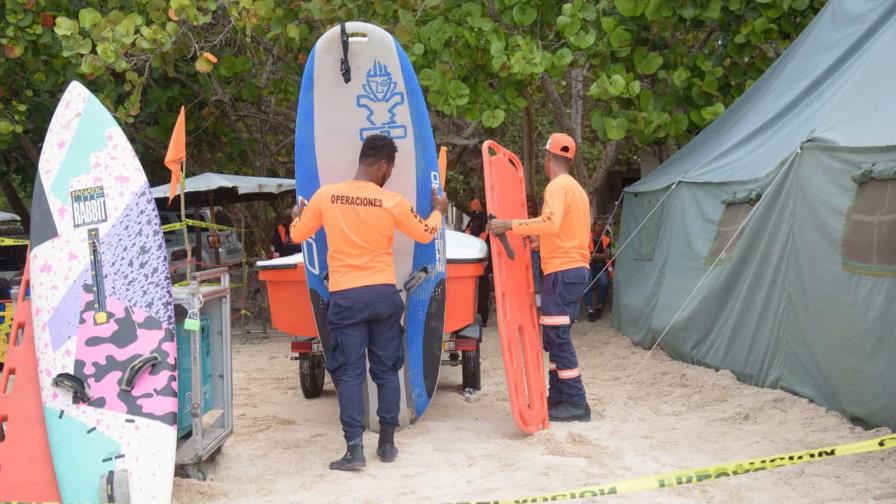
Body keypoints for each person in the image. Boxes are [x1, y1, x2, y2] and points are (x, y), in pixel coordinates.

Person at [289, 134, 448, 470]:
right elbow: (424, 233)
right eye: (390, 169)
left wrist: (294, 215)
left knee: (349, 374)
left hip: (347, 297)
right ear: (383, 165)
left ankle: (353, 450)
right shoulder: (391, 201)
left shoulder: (327, 196)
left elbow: (297, 235)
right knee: (387, 371)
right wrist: (437, 212)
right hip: (382, 295)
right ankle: (387, 445)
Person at [489, 132, 592, 423]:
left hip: (563, 271)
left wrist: (509, 224)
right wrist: (539, 242)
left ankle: (575, 402)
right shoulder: (576, 189)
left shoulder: (557, 187)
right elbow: (565, 231)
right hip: (571, 269)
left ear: (548, 159)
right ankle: (558, 398)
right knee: (555, 335)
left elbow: (551, 222)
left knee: (557, 336)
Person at [464, 198, 491, 326]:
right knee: (482, 290)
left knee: (474, 290)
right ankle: (482, 317)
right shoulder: (485, 219)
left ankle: (474, 316)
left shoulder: (472, 220)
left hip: (473, 260)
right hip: (482, 259)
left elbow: (468, 236)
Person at [585, 218, 612, 321]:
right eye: (598, 225)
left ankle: (599, 307)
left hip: (601, 266)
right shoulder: (587, 238)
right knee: (587, 283)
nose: (600, 228)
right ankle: (590, 309)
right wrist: (602, 255)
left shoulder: (606, 240)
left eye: (602, 226)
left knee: (604, 283)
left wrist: (595, 256)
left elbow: (609, 255)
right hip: (589, 266)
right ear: (594, 226)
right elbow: (588, 256)